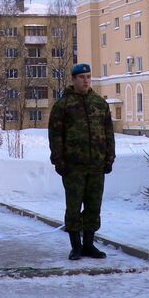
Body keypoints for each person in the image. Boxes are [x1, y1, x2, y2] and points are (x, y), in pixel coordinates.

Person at [48, 63, 115, 261]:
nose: (86, 80)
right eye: (81, 77)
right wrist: (58, 160)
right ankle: (76, 246)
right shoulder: (63, 105)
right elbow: (55, 135)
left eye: (88, 76)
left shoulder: (99, 103)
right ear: (74, 79)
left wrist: (109, 158)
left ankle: (89, 244)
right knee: (74, 207)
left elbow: (108, 133)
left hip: (96, 165)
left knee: (94, 206)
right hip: (73, 167)